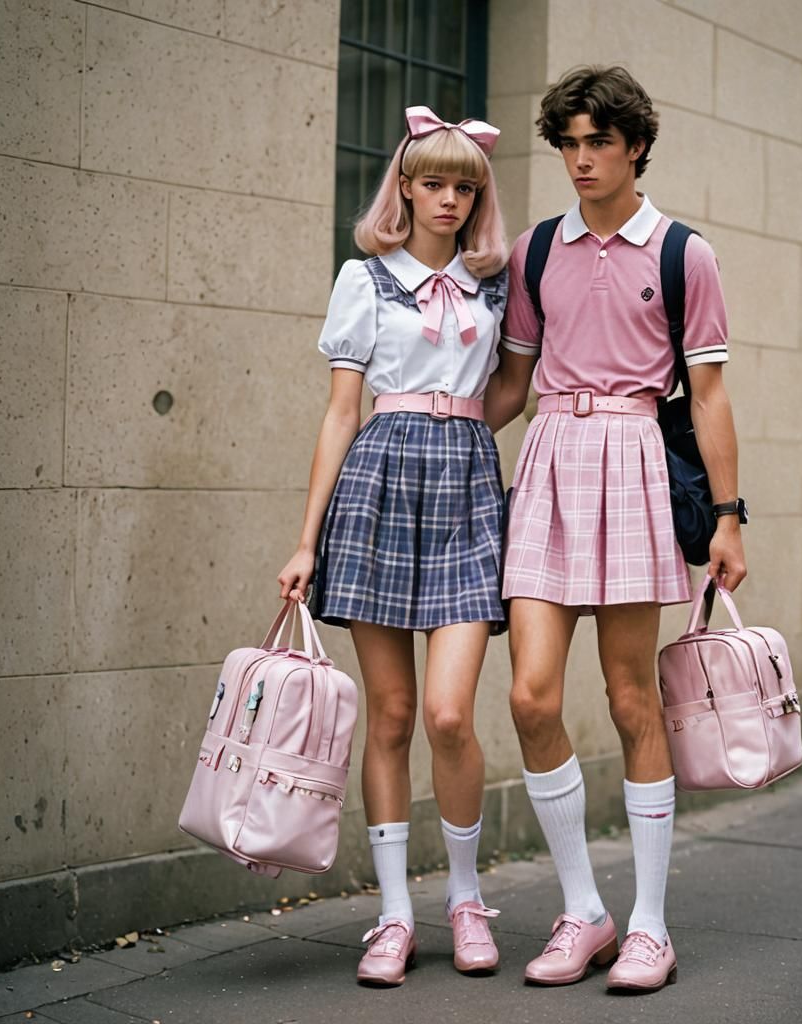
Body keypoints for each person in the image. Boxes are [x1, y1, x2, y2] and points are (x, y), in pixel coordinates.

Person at [486, 65, 747, 992]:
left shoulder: (684, 254)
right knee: (529, 697)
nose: (583, 159)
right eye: (569, 142)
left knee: (634, 698)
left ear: (636, 145)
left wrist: (728, 517)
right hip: (552, 459)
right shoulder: (533, 251)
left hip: (636, 461)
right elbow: (513, 383)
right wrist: (436, 429)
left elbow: (708, 395)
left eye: (600, 141)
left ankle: (648, 926)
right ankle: (583, 910)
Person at [277, 105, 509, 986]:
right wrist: (306, 542)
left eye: (465, 186)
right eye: (434, 183)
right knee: (393, 715)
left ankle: (462, 897)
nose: (449, 199)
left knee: (450, 714)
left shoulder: (497, 285)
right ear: (404, 188)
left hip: (464, 484)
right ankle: (394, 915)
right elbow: (341, 413)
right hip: (378, 483)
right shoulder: (364, 279)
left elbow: (513, 384)